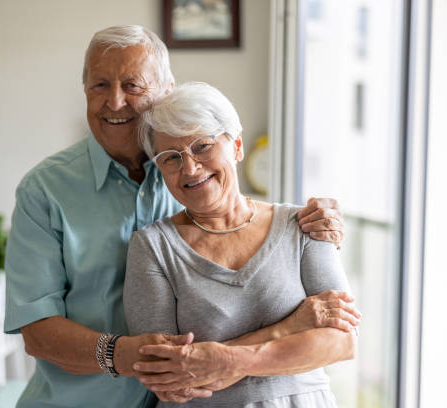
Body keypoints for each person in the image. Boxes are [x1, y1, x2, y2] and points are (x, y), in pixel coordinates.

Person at [4, 25, 354, 407]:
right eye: (99, 86)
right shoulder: (45, 190)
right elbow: (38, 332)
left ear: (165, 91)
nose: (115, 102)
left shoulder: (199, 181)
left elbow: (340, 334)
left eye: (133, 85)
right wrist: (125, 354)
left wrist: (322, 229)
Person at [123, 82, 359, 407]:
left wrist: (234, 361)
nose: (190, 167)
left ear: (236, 146)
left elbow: (342, 342)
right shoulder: (153, 248)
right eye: (171, 158)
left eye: (202, 146)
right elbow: (169, 375)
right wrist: (293, 327)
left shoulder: (303, 224)